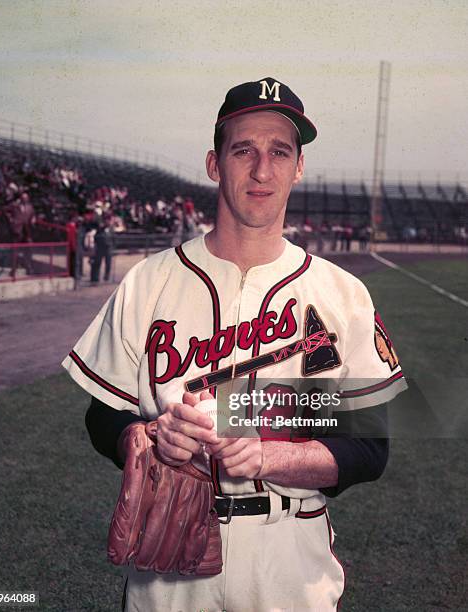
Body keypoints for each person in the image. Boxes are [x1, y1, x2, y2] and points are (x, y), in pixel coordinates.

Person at [62, 77, 407, 611]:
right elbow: (102, 416)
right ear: (214, 163)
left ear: (299, 168)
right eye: (243, 149)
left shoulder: (343, 294)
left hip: (289, 557)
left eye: (279, 152)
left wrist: (270, 456)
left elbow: (369, 449)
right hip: (171, 565)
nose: (262, 169)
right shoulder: (149, 282)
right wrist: (148, 438)